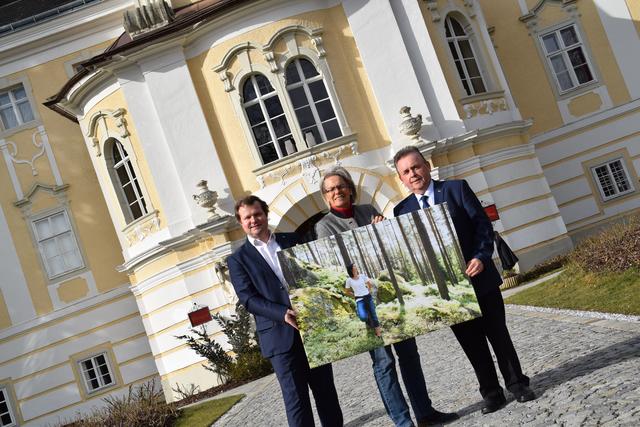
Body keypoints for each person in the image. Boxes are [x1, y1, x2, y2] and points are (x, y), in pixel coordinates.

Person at [392, 146, 536, 414]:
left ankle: (518, 385)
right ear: (401, 178)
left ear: (427, 165)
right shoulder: (401, 211)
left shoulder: (456, 190)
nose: (413, 174)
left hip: (480, 278)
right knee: (472, 345)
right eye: (406, 171)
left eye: (416, 166)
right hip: (449, 293)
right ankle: (492, 394)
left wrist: (482, 256)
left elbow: (483, 225)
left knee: (498, 335)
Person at [315, 167, 458, 427]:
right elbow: (335, 268)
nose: (337, 191)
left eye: (341, 186)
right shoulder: (324, 227)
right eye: (331, 189)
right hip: (365, 303)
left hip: (388, 292)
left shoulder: (369, 211)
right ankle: (403, 422)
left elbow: (388, 246)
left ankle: (425, 412)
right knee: (384, 362)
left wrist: (382, 228)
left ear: (350, 189)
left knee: (409, 354)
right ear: (326, 197)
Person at [227, 195, 343, 427]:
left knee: (326, 393)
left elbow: (314, 273)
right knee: (295, 400)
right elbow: (248, 299)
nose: (253, 220)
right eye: (247, 217)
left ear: (266, 214)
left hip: (312, 328)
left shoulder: (292, 240)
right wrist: (282, 313)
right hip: (279, 337)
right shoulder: (238, 260)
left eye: (257, 214)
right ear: (241, 222)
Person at [345, 263, 382, 337]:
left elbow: (369, 284)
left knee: (374, 316)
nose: (356, 267)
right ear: (351, 269)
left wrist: (368, 290)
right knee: (363, 317)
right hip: (359, 300)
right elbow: (347, 291)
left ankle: (378, 333)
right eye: (354, 266)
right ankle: (367, 316)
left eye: (356, 265)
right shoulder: (349, 280)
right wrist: (354, 295)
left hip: (368, 297)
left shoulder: (362, 276)